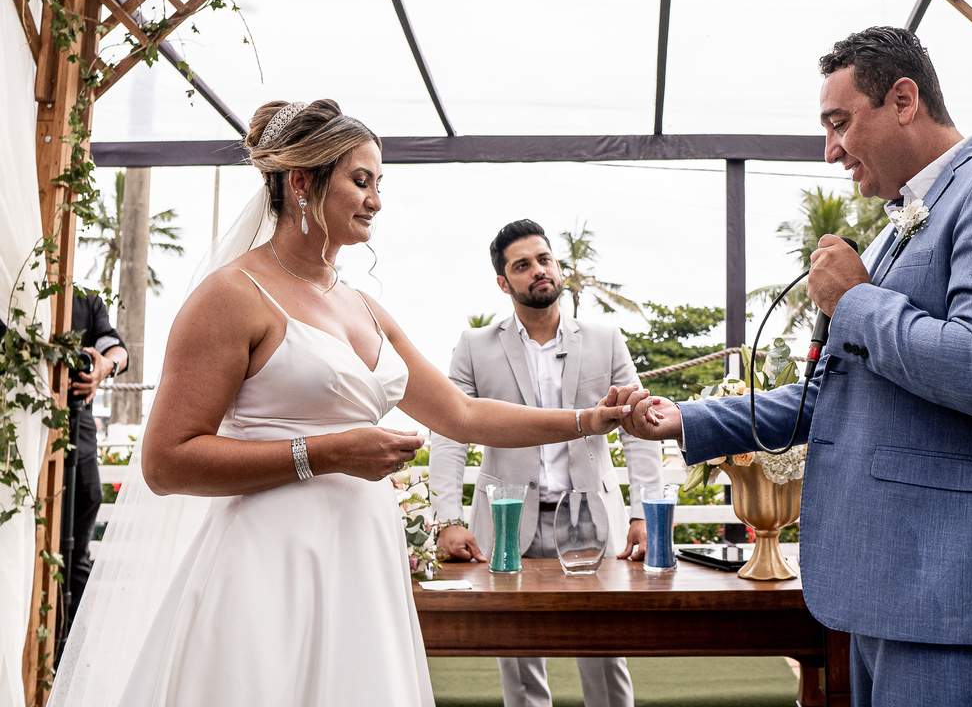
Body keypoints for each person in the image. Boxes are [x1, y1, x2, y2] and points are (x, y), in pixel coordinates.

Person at [51, 100, 634, 707]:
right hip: (269, 569)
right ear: (302, 182)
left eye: (379, 183)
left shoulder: (364, 307)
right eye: (361, 181)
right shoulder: (230, 296)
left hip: (363, 567)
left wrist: (592, 419)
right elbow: (166, 463)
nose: (377, 200)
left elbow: (461, 415)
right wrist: (328, 453)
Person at [612, 27, 972, 707]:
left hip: (961, 590)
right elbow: (831, 396)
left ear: (904, 100)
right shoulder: (893, 225)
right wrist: (684, 420)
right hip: (891, 586)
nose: (831, 150)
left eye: (839, 123)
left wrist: (854, 299)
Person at [429, 219, 662, 707]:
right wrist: (446, 520)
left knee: (605, 655)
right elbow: (449, 434)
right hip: (508, 520)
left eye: (544, 259)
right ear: (503, 282)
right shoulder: (474, 346)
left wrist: (644, 513)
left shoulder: (606, 339)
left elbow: (643, 430)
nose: (538, 270)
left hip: (591, 520)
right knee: (517, 656)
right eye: (522, 265)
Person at [58, 289, 128, 650]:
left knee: (86, 505)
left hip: (78, 424)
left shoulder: (86, 300)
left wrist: (104, 366)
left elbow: (117, 350)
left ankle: (72, 649)